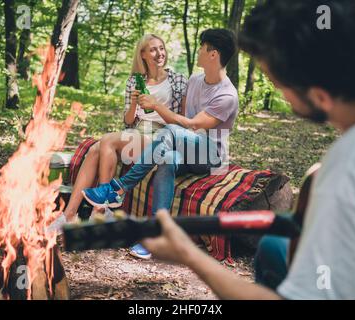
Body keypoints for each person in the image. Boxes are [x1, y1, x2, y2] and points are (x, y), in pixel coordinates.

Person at [141, 0, 355, 299]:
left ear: (319, 94)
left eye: (278, 83)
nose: (279, 92)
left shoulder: (352, 166)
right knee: (273, 246)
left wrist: (188, 254)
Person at [82, 29, 239, 259]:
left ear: (213, 54)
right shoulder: (195, 80)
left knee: (171, 131)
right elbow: (181, 123)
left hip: (209, 155)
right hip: (184, 147)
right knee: (167, 159)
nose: (199, 51)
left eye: (202, 47)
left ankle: (119, 187)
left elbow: (194, 125)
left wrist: (156, 106)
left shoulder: (227, 95)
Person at [47, 34, 187, 234]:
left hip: (162, 137)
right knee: (95, 149)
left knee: (107, 140)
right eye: (153, 50)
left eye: (161, 48)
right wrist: (134, 102)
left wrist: (156, 106)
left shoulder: (178, 79)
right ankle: (69, 215)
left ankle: (101, 208)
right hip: (137, 133)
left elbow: (182, 119)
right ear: (143, 55)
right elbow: (128, 121)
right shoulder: (135, 81)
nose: (159, 53)